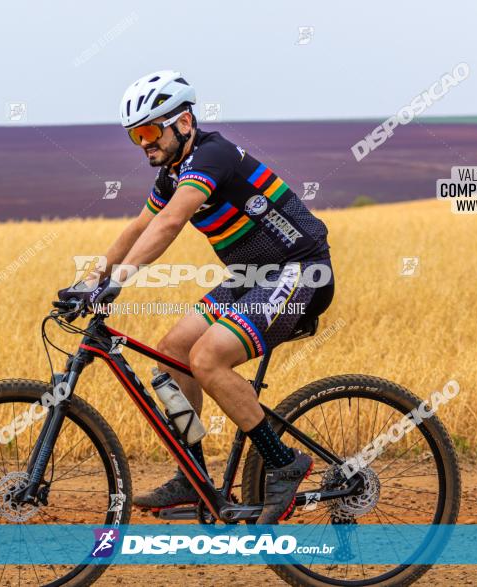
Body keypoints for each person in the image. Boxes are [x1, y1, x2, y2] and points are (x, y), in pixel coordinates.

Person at [58, 70, 335, 524]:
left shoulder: (213, 155)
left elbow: (169, 224)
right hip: (249, 276)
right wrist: (91, 280)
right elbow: (139, 227)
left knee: (207, 359)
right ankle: (193, 477)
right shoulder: (173, 172)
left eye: (149, 131)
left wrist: (118, 282)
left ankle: (284, 463)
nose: (143, 143)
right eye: (135, 136)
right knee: (172, 354)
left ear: (184, 122)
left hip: (301, 270)